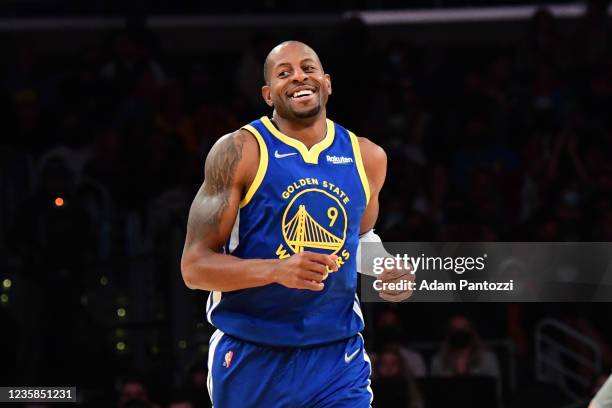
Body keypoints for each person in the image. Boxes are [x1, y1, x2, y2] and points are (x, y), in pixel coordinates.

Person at [180, 40, 412, 407]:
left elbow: (361, 238)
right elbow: (194, 268)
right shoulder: (240, 150)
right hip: (253, 354)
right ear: (268, 94)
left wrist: (386, 267)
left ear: (327, 82)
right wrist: (277, 270)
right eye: (284, 73)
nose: (299, 76)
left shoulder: (367, 156)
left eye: (308, 68)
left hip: (337, 358)